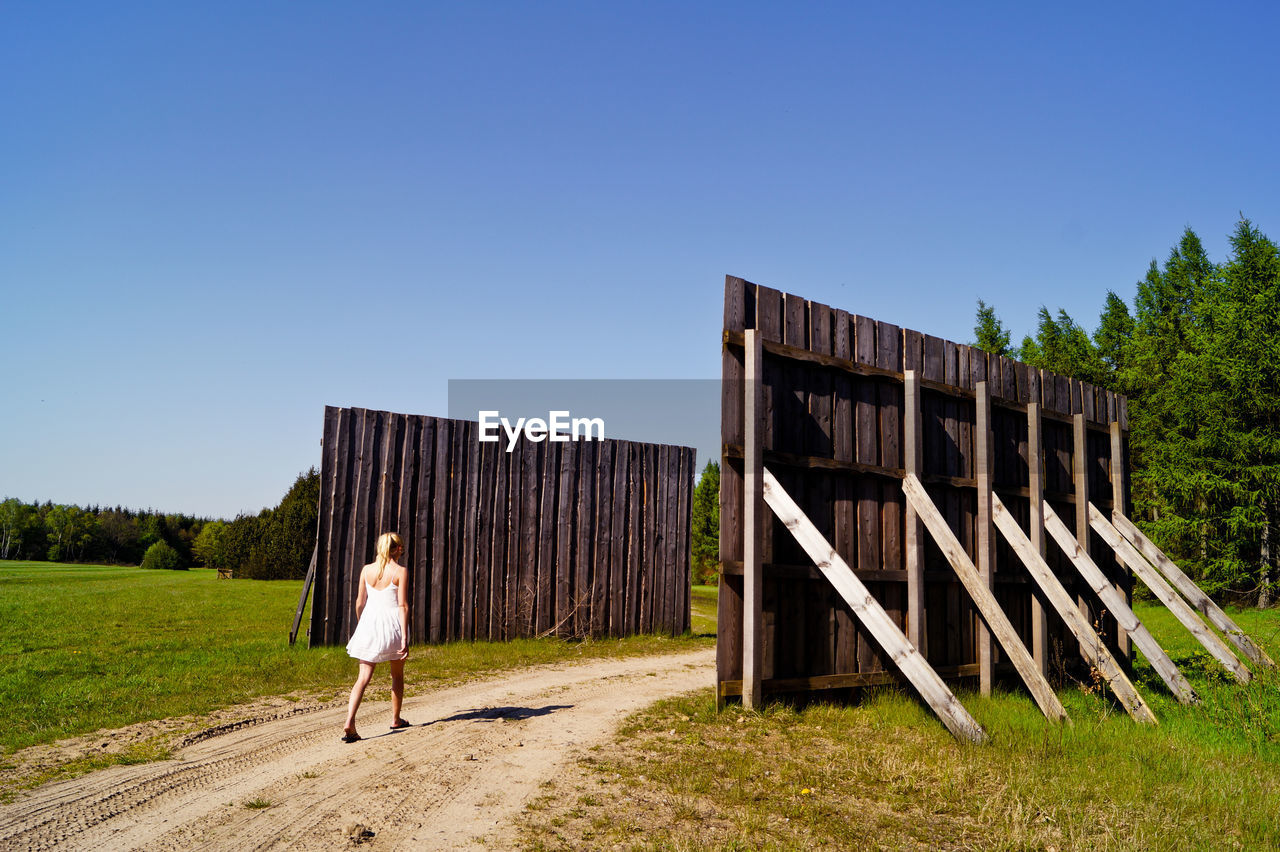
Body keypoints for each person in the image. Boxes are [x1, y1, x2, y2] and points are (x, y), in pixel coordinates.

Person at [341, 532, 410, 742]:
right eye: (401, 547)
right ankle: (395, 719)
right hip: (392, 627)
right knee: (396, 675)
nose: (402, 549)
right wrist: (405, 637)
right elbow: (403, 605)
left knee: (362, 678)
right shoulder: (400, 571)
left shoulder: (366, 570)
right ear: (396, 548)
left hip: (369, 626)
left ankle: (349, 722)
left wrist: (363, 624)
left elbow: (359, 603)